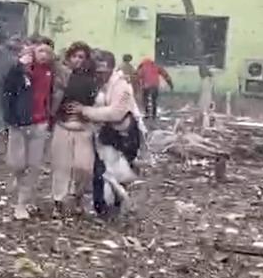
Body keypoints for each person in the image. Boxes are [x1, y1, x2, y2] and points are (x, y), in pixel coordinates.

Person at [80, 50, 142, 217]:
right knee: (102, 171)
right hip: (103, 132)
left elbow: (116, 113)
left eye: (103, 70)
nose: (100, 74)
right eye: (97, 70)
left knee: (116, 170)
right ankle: (103, 207)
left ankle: (116, 205)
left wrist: (85, 111)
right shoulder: (96, 83)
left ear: (111, 68)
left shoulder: (121, 85)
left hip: (123, 134)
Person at [50, 41, 99, 214]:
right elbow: (52, 102)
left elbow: (95, 104)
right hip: (63, 126)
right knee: (61, 167)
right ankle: (58, 202)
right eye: (75, 56)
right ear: (69, 58)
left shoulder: (92, 80)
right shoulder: (61, 77)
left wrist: (83, 111)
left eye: (82, 57)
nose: (78, 60)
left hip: (83, 128)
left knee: (84, 168)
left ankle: (78, 198)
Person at [2, 44, 50, 220]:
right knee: (17, 163)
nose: (43, 55)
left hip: (40, 123)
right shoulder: (20, 71)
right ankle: (17, 178)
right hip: (20, 124)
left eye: (47, 52)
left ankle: (21, 203)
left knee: (34, 165)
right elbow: (7, 88)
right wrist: (18, 66)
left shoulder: (50, 72)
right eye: (40, 52)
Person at [136, 55, 173, 119]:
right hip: (155, 85)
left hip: (146, 86)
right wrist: (170, 84)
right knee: (154, 100)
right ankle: (154, 114)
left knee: (145, 100)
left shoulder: (142, 68)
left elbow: (138, 77)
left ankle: (147, 113)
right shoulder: (156, 66)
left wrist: (138, 86)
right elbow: (165, 75)